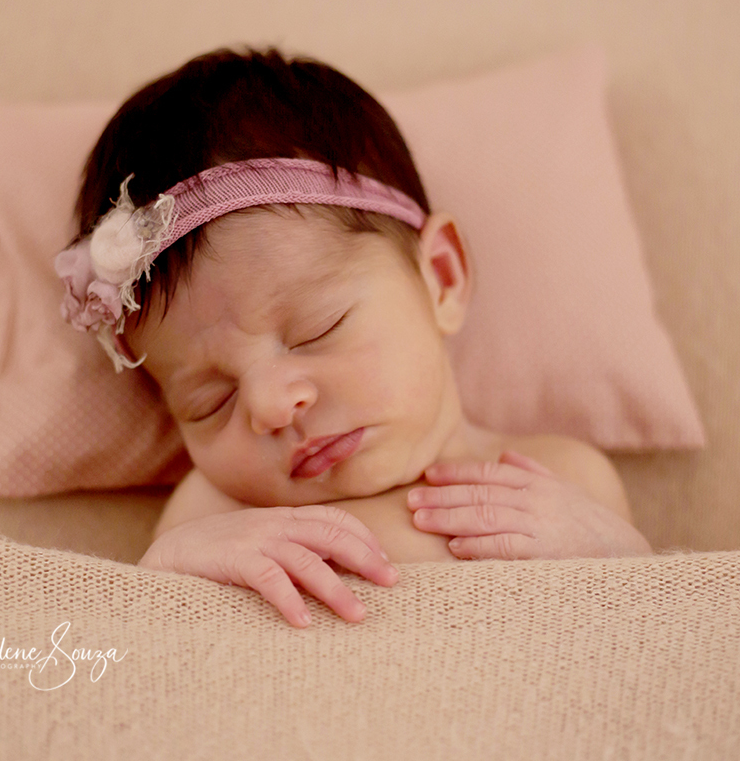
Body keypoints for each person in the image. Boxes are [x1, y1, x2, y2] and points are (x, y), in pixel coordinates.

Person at [54, 46, 652, 628]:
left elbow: (655, 627)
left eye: (317, 329)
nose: (269, 406)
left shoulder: (562, 479)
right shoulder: (215, 513)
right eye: (210, 401)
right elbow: (148, 633)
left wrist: (615, 553)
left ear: (440, 279)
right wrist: (173, 565)